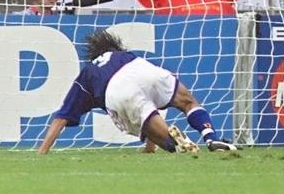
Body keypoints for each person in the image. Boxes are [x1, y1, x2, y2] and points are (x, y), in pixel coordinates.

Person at [38, 30, 237, 154]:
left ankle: (174, 142)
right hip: (143, 69)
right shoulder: (124, 55)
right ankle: (210, 137)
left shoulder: (88, 73)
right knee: (188, 102)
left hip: (117, 89)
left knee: (150, 125)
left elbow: (61, 118)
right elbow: (143, 88)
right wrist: (149, 150)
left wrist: (43, 151)